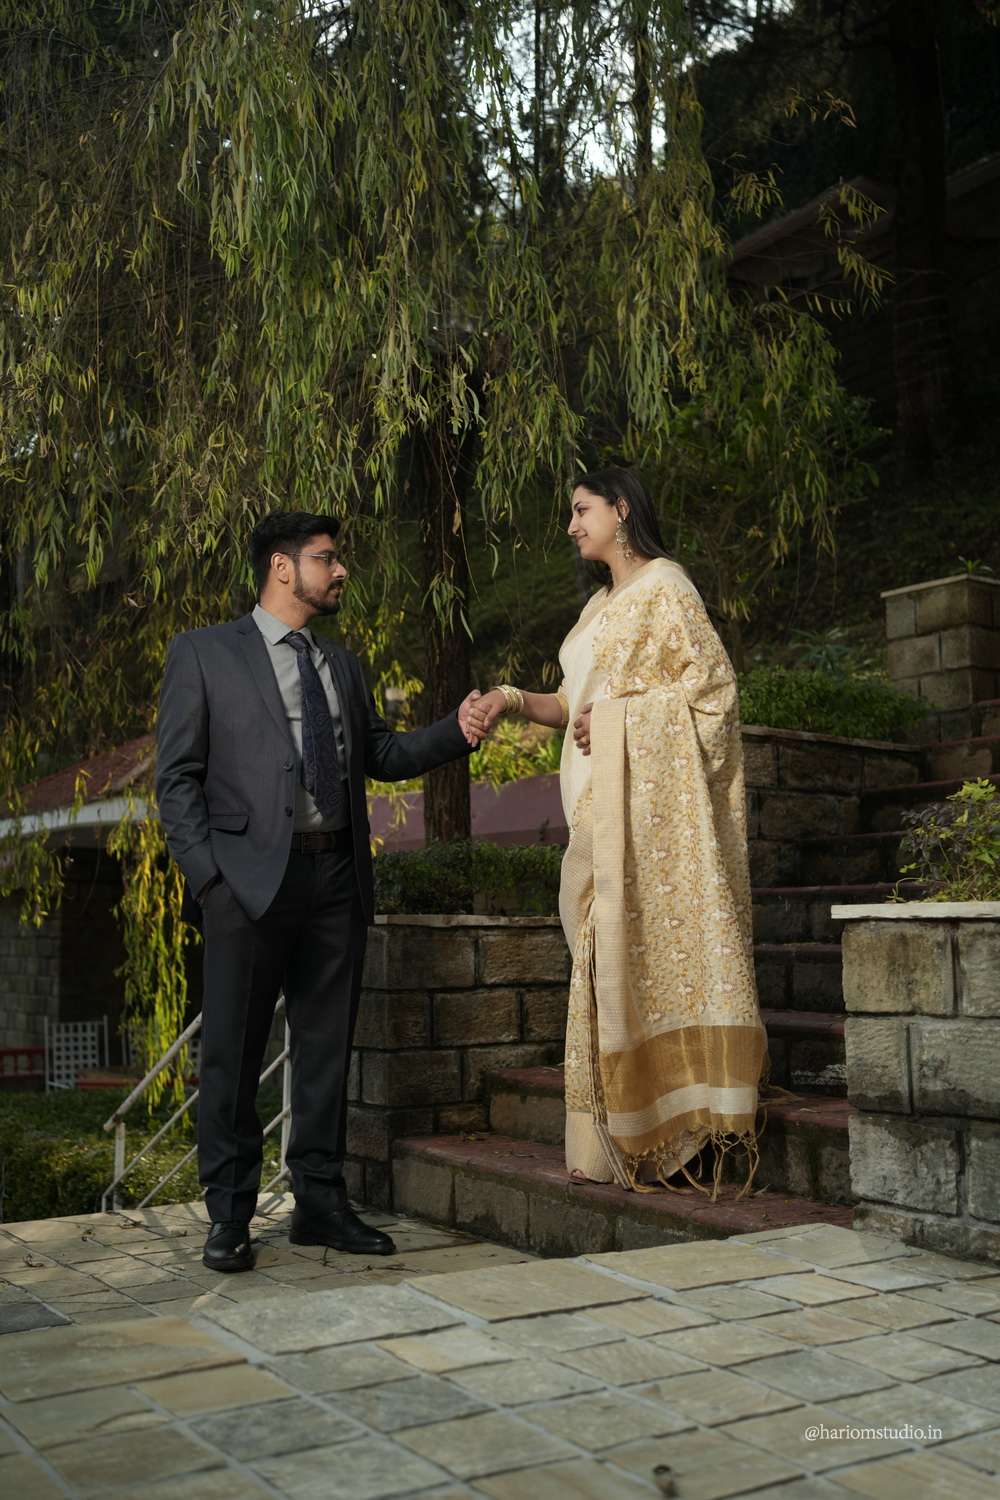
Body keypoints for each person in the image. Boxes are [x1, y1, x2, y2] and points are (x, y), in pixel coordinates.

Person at [156, 511, 483, 1271]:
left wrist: (456, 730)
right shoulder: (204, 654)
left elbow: (381, 754)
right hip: (245, 884)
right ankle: (229, 1214)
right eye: (327, 559)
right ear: (282, 566)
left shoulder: (340, 663)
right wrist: (211, 880)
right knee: (232, 1055)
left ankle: (321, 1204)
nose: (340, 572)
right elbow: (176, 781)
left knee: (326, 1050)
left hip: (335, 877)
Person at [467, 468, 767, 1195]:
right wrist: (509, 697)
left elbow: (714, 698)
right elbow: (572, 702)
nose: (572, 526)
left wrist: (624, 719)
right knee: (605, 966)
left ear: (621, 509)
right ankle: (621, 1136)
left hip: (641, 812)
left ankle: (675, 1135)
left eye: (582, 510)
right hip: (593, 808)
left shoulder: (667, 587)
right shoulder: (598, 605)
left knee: (637, 960)